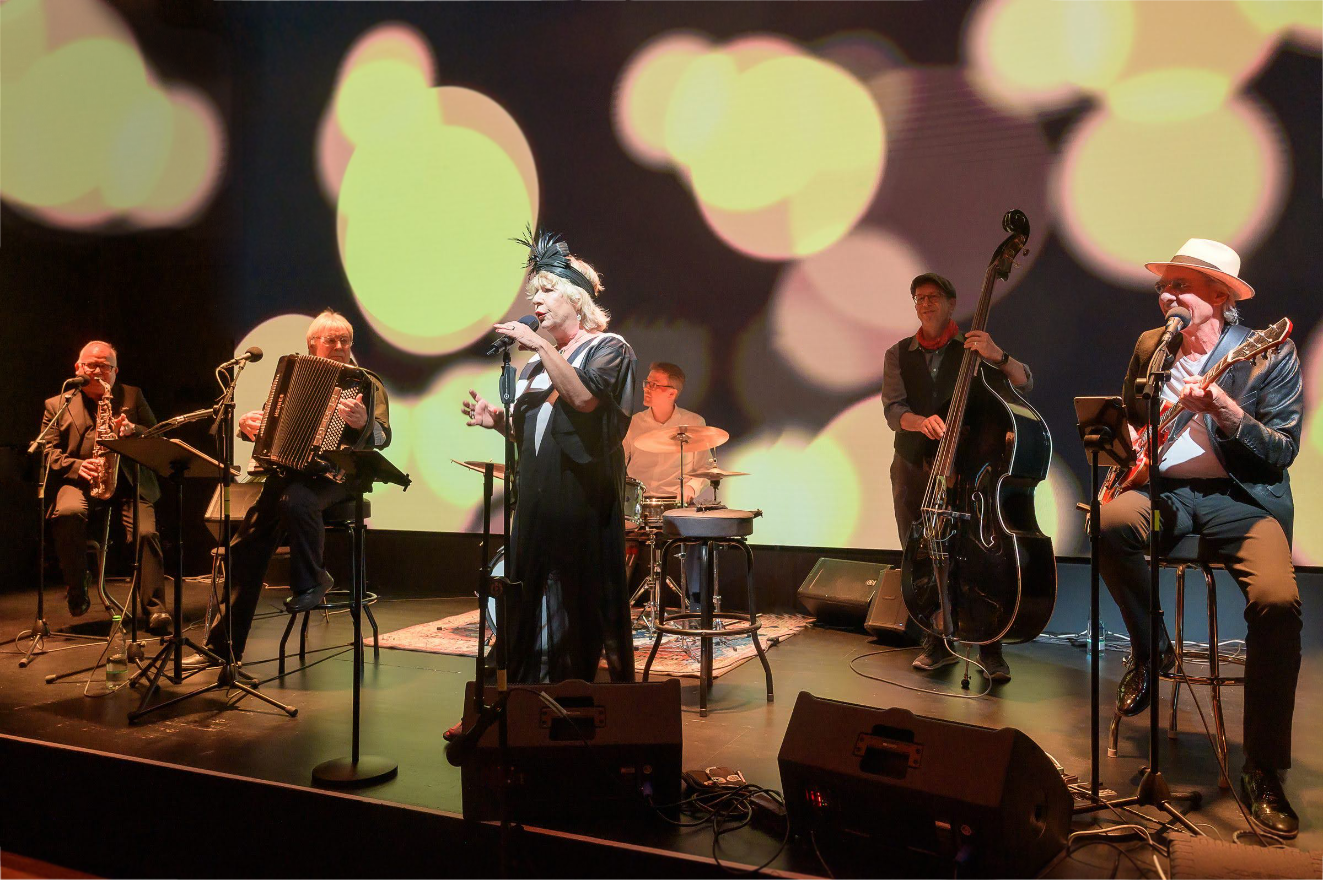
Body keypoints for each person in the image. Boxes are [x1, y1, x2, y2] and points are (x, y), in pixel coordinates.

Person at [1098, 238, 1302, 838]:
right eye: (1164, 285)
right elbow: (1134, 416)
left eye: (1182, 285)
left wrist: (1224, 411)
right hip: (1168, 495)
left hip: (1241, 499)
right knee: (1109, 523)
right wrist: (1130, 447)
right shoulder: (1151, 346)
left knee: (1277, 601)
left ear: (1219, 296)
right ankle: (1152, 649)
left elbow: (1282, 449)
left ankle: (1263, 768)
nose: (1168, 295)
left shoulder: (1268, 352)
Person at [462, 229, 637, 683]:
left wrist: (539, 342)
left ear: (576, 299)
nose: (536, 302)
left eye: (546, 291)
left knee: (580, 604)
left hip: (581, 500)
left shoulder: (608, 348)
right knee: (525, 600)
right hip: (537, 498)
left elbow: (582, 400)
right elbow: (532, 431)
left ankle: (577, 697)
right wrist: (498, 421)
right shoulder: (538, 364)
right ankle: (520, 697)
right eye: (533, 294)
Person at [188, 310, 390, 666]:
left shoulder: (366, 383)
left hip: (340, 476)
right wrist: (250, 426)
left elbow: (384, 436)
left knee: (295, 500)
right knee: (243, 550)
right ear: (312, 344)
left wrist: (365, 424)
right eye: (331, 340)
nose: (340, 346)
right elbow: (274, 427)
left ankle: (312, 580)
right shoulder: (292, 374)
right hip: (290, 474)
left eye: (345, 340)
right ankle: (222, 650)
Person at [880, 273, 1033, 681]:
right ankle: (935, 640)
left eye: (933, 297)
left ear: (951, 303)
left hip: (967, 467)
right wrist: (919, 422)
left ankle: (989, 645)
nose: (925, 303)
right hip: (914, 465)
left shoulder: (973, 348)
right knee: (922, 552)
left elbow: (1025, 381)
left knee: (978, 554)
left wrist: (998, 355)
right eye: (919, 298)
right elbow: (893, 410)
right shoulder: (898, 353)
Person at [42, 342, 170, 634]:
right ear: (78, 368)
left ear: (115, 371)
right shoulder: (56, 404)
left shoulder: (132, 396)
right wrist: (77, 466)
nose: (97, 371)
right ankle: (77, 587)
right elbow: (47, 453)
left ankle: (155, 609)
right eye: (91, 365)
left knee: (146, 533)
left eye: (105, 366)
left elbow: (156, 434)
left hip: (127, 480)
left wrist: (132, 431)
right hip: (80, 480)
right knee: (66, 513)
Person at [622, 362, 716, 610]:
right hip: (639, 505)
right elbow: (617, 463)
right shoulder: (633, 423)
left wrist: (691, 489)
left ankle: (697, 604)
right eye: (647, 383)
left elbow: (705, 468)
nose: (646, 388)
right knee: (608, 528)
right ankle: (614, 604)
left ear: (671, 392)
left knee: (698, 535)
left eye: (654, 384)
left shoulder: (693, 422)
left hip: (676, 504)